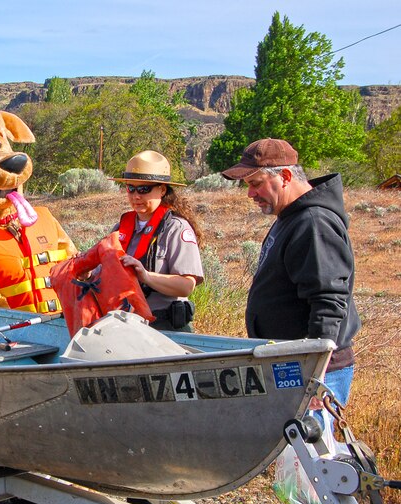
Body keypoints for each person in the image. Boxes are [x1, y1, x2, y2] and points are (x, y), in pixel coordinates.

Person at [222, 137, 360, 410]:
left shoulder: (313, 222)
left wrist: (314, 377)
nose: (250, 194)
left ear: (285, 175)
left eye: (255, 183)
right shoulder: (291, 218)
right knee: (290, 451)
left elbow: (328, 300)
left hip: (315, 371)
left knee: (308, 448)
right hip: (292, 364)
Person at [110, 150, 204, 332]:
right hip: (126, 327)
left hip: (165, 329)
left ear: (162, 189)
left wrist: (146, 276)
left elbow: (186, 286)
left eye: (144, 189)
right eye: (131, 188)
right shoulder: (120, 228)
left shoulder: (176, 228)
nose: (136, 196)